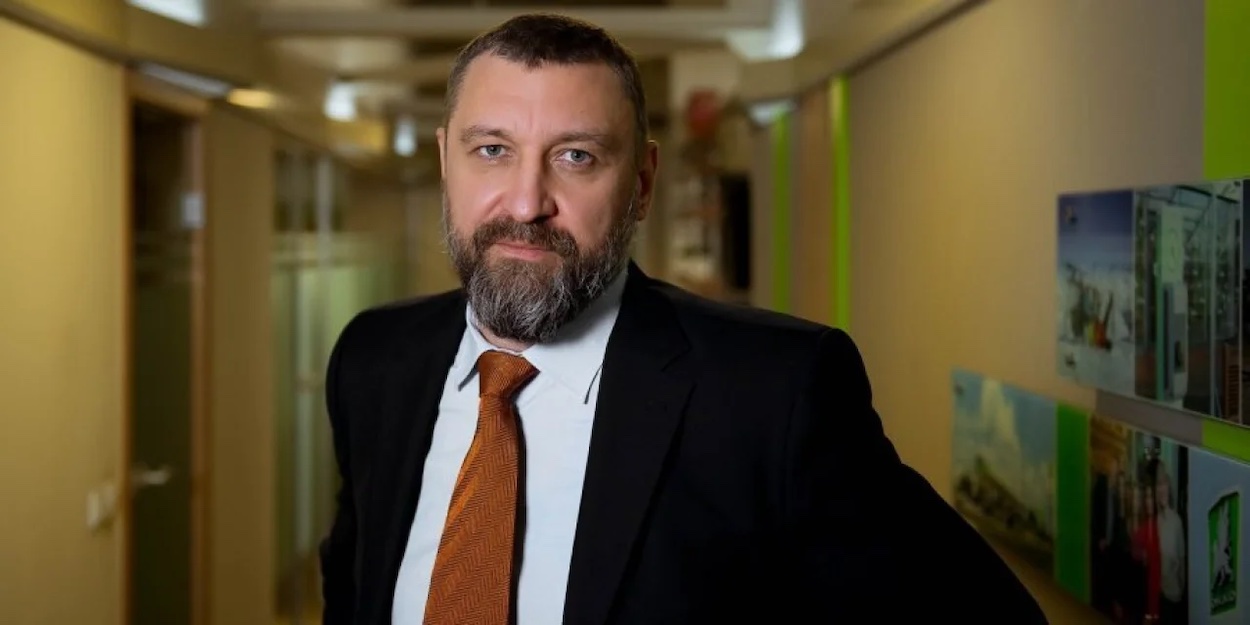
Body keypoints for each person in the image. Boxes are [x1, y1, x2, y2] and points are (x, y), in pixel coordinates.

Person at [318, 12, 1046, 625]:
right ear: (446, 160)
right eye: (492, 150)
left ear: (641, 183)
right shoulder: (373, 360)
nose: (526, 201)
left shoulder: (775, 395)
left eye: (576, 156)